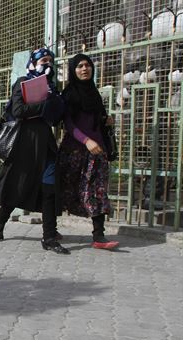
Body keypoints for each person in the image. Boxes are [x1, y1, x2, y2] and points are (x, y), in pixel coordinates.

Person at [0, 48, 69, 254]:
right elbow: (18, 111)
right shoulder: (23, 83)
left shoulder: (52, 88)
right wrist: (42, 105)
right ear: (33, 63)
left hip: (46, 144)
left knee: (49, 190)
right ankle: (0, 221)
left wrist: (55, 100)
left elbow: (55, 119)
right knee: (18, 187)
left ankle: (49, 237)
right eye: (43, 60)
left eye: (51, 61)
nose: (47, 64)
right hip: (24, 144)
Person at [59, 53, 120, 249]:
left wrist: (106, 120)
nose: (84, 69)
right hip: (74, 151)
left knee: (97, 191)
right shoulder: (68, 95)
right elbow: (68, 124)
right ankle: (49, 230)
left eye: (87, 66)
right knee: (64, 191)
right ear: (73, 70)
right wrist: (86, 141)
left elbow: (95, 120)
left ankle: (98, 236)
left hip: (97, 151)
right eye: (80, 66)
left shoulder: (94, 94)